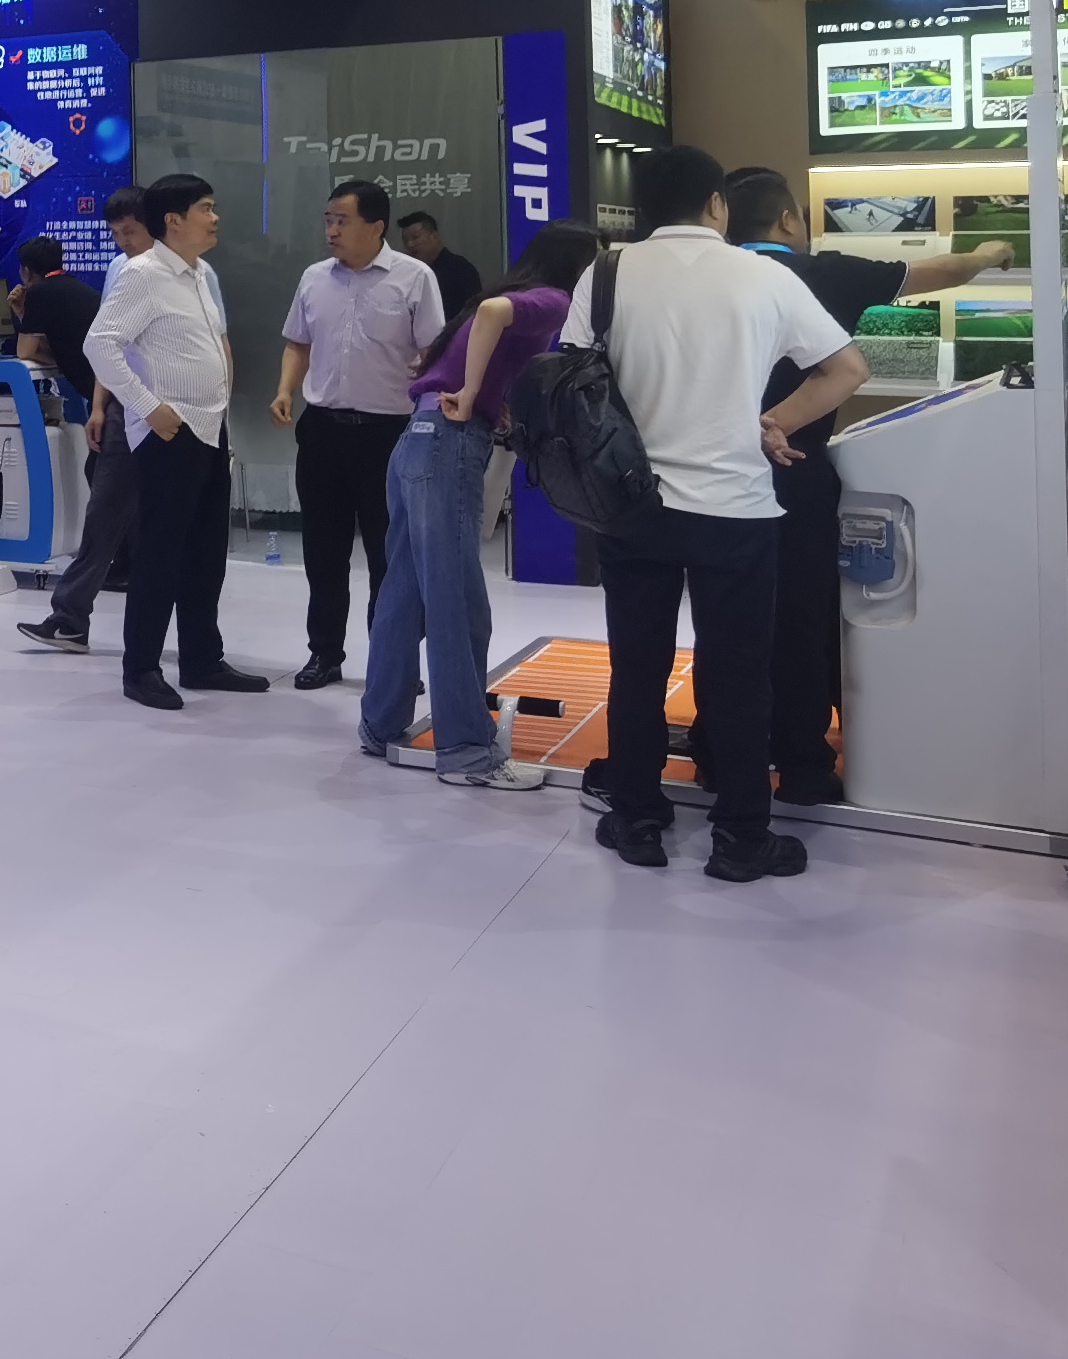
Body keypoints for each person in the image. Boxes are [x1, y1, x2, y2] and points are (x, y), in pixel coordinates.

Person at [564, 145, 869, 880]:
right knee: (738, 675)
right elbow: (846, 368)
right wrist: (776, 423)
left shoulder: (605, 273)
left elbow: (572, 376)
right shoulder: (764, 275)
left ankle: (637, 818)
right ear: (716, 204)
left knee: (638, 668)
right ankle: (740, 835)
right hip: (737, 509)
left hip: (633, 507)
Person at [721, 168, 1004, 801]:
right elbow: (942, 270)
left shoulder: (710, 279)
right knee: (802, 619)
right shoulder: (827, 274)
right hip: (794, 472)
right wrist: (989, 253)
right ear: (787, 219)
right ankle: (802, 763)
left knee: (725, 619)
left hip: (710, 474)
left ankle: (722, 754)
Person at [358, 220, 605, 788]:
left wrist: (487, 396)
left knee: (405, 593)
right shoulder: (552, 299)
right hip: (450, 444)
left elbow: (479, 327)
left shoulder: (514, 293)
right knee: (457, 600)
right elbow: (495, 314)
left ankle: (380, 724)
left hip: (417, 440)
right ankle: (467, 750)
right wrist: (473, 394)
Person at [91, 175, 263, 710]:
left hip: (210, 428)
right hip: (170, 430)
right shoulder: (141, 274)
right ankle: (141, 667)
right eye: (206, 208)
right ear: (174, 220)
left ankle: (202, 659)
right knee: (159, 553)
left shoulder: (200, 273)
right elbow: (100, 345)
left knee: (206, 553)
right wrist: (148, 407)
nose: (215, 218)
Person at [270, 179, 447, 692]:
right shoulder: (314, 278)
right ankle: (324, 653)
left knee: (389, 554)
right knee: (323, 551)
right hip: (322, 431)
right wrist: (285, 389)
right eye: (328, 220)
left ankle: (392, 660)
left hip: (388, 435)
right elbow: (297, 343)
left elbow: (433, 353)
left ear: (376, 226)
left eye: (342, 221)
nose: (331, 230)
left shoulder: (414, 278)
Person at [12, 197, 149, 653]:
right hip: (121, 399)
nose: (122, 241)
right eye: (117, 233)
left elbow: (26, 353)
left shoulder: (42, 294)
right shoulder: (96, 284)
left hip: (128, 402)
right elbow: (99, 347)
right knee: (108, 495)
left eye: (128, 230)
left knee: (109, 502)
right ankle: (98, 591)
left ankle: (83, 607)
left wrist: (22, 316)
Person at [397, 211, 483, 324]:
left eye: (415, 237)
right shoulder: (407, 274)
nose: (410, 244)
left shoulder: (461, 270)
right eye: (405, 240)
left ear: (434, 236)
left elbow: (471, 315)